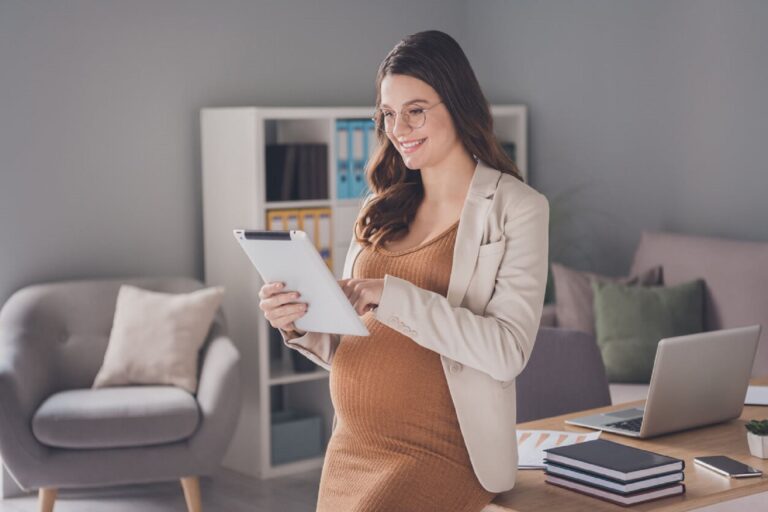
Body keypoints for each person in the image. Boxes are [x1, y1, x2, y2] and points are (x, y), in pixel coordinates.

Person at [258, 30, 549, 512]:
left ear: (457, 103)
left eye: (416, 110)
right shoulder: (380, 204)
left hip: (440, 454)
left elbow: (506, 351)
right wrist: (295, 320)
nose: (399, 128)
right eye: (388, 114)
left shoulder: (516, 208)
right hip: (352, 449)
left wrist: (389, 296)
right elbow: (345, 339)